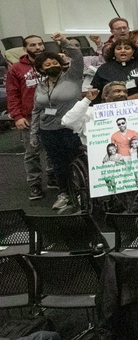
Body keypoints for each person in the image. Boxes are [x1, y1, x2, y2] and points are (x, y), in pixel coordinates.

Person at [32, 37, 84, 212]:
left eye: (55, 63)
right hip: (48, 131)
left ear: (61, 64)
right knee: (58, 164)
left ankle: (81, 192)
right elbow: (36, 110)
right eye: (47, 65)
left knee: (77, 161)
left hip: (71, 129)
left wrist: (63, 42)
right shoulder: (41, 86)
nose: (52, 66)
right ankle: (65, 194)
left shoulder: (72, 77)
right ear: (41, 69)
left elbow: (77, 56)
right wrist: (33, 133)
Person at [7, 35, 49, 200]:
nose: (37, 47)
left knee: (54, 150)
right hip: (29, 117)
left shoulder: (51, 62)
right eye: (33, 45)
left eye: (40, 44)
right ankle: (35, 184)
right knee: (32, 153)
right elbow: (12, 94)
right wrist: (17, 116)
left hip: (52, 115)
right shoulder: (16, 68)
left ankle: (54, 177)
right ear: (25, 49)